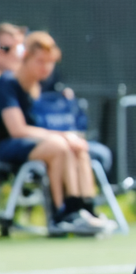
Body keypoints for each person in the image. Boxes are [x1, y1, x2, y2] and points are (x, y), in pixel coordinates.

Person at [0, 32, 114, 235]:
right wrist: (62, 136)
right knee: (60, 145)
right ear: (25, 56)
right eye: (40, 61)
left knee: (78, 145)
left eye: (50, 62)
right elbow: (18, 130)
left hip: (38, 144)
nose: (46, 67)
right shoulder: (7, 83)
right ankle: (62, 215)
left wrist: (69, 137)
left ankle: (85, 208)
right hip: (7, 146)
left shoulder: (41, 86)